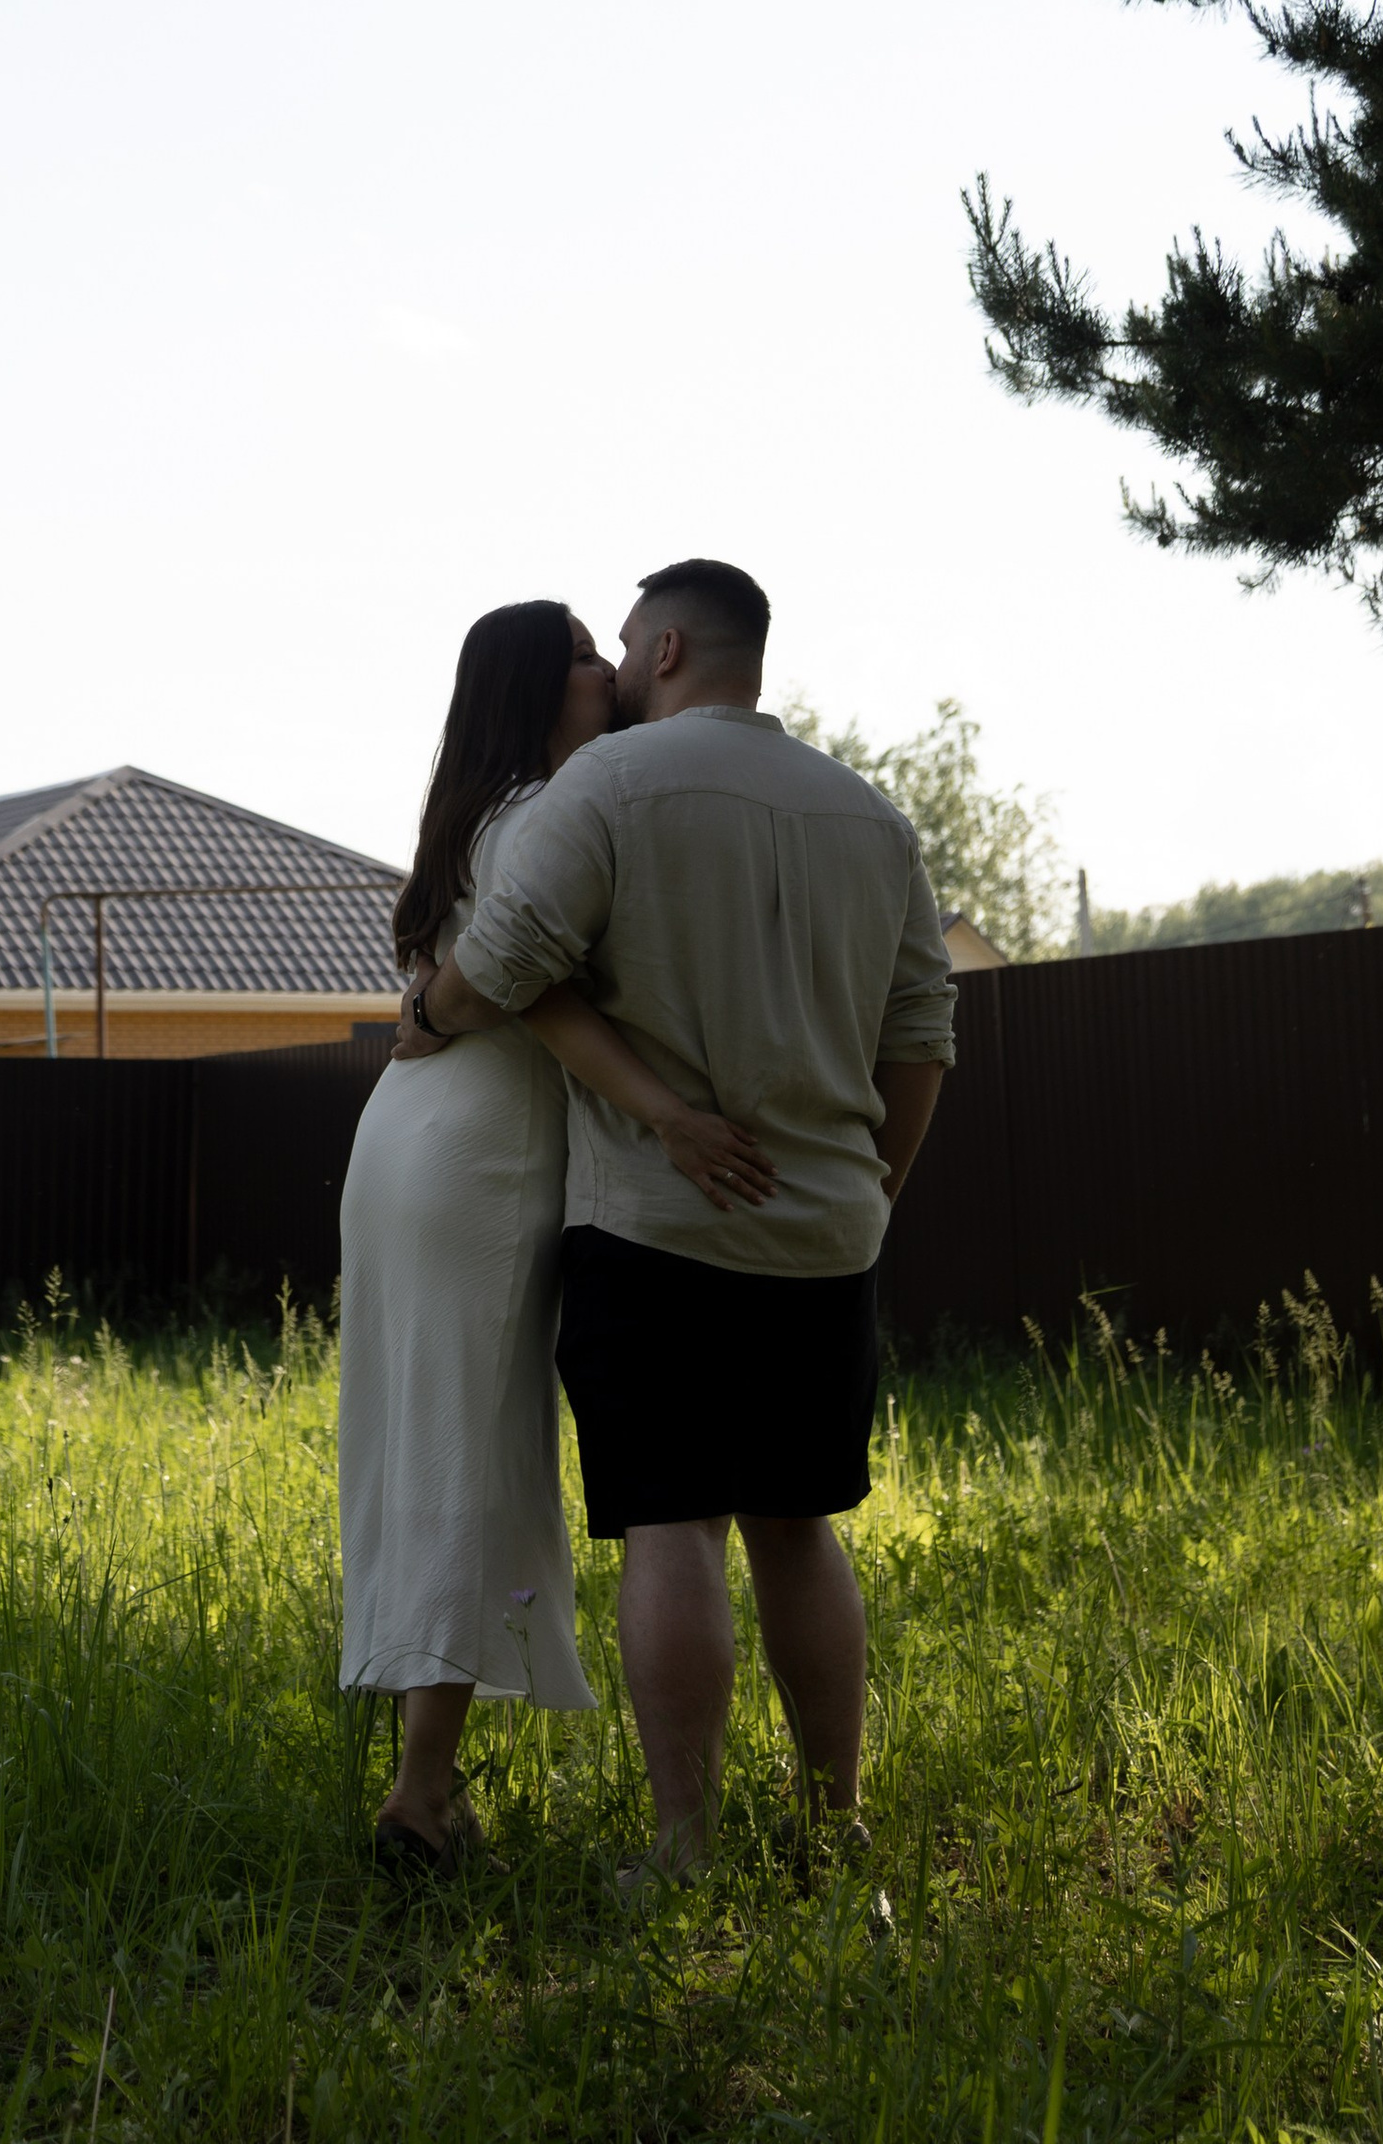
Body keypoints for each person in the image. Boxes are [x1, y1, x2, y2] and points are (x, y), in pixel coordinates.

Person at [400, 558, 955, 1881]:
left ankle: (684, 1846)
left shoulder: (607, 787)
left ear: (659, 652)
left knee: (676, 1528)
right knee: (801, 1526)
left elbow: (509, 965)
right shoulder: (869, 815)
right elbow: (923, 1035)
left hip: (655, 1226)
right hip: (827, 1233)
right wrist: (875, 1191)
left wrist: (423, 1015)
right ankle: (836, 1825)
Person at [337, 598, 778, 1881]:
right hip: (482, 1156)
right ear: (543, 686)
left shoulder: (478, 810)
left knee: (433, 1448)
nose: (608, 669)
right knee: (472, 1460)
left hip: (413, 1140)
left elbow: (475, 988)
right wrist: (671, 1116)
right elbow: (530, 990)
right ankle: (420, 1798)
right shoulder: (542, 812)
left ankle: (425, 1780)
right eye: (586, 654)